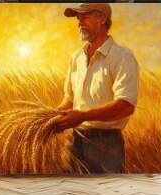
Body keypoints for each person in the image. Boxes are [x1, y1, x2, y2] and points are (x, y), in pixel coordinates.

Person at [55, 3, 140, 173]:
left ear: (102, 18)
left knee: (107, 194)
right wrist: (50, 117)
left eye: (84, 17)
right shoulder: (76, 58)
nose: (79, 22)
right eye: (78, 18)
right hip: (74, 141)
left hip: (107, 146)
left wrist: (83, 116)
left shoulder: (122, 57)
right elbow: (70, 99)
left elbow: (125, 106)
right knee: (71, 194)